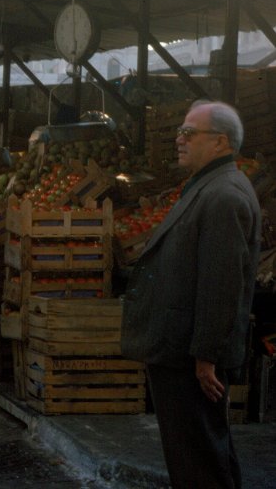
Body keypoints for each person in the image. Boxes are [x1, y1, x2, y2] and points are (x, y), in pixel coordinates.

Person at [121, 100, 261, 489]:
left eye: (188, 132)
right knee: (203, 451)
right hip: (181, 348)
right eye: (179, 130)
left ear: (220, 142)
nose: (178, 139)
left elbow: (221, 284)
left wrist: (205, 357)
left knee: (196, 458)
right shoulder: (208, 186)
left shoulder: (224, 196)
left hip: (191, 356)